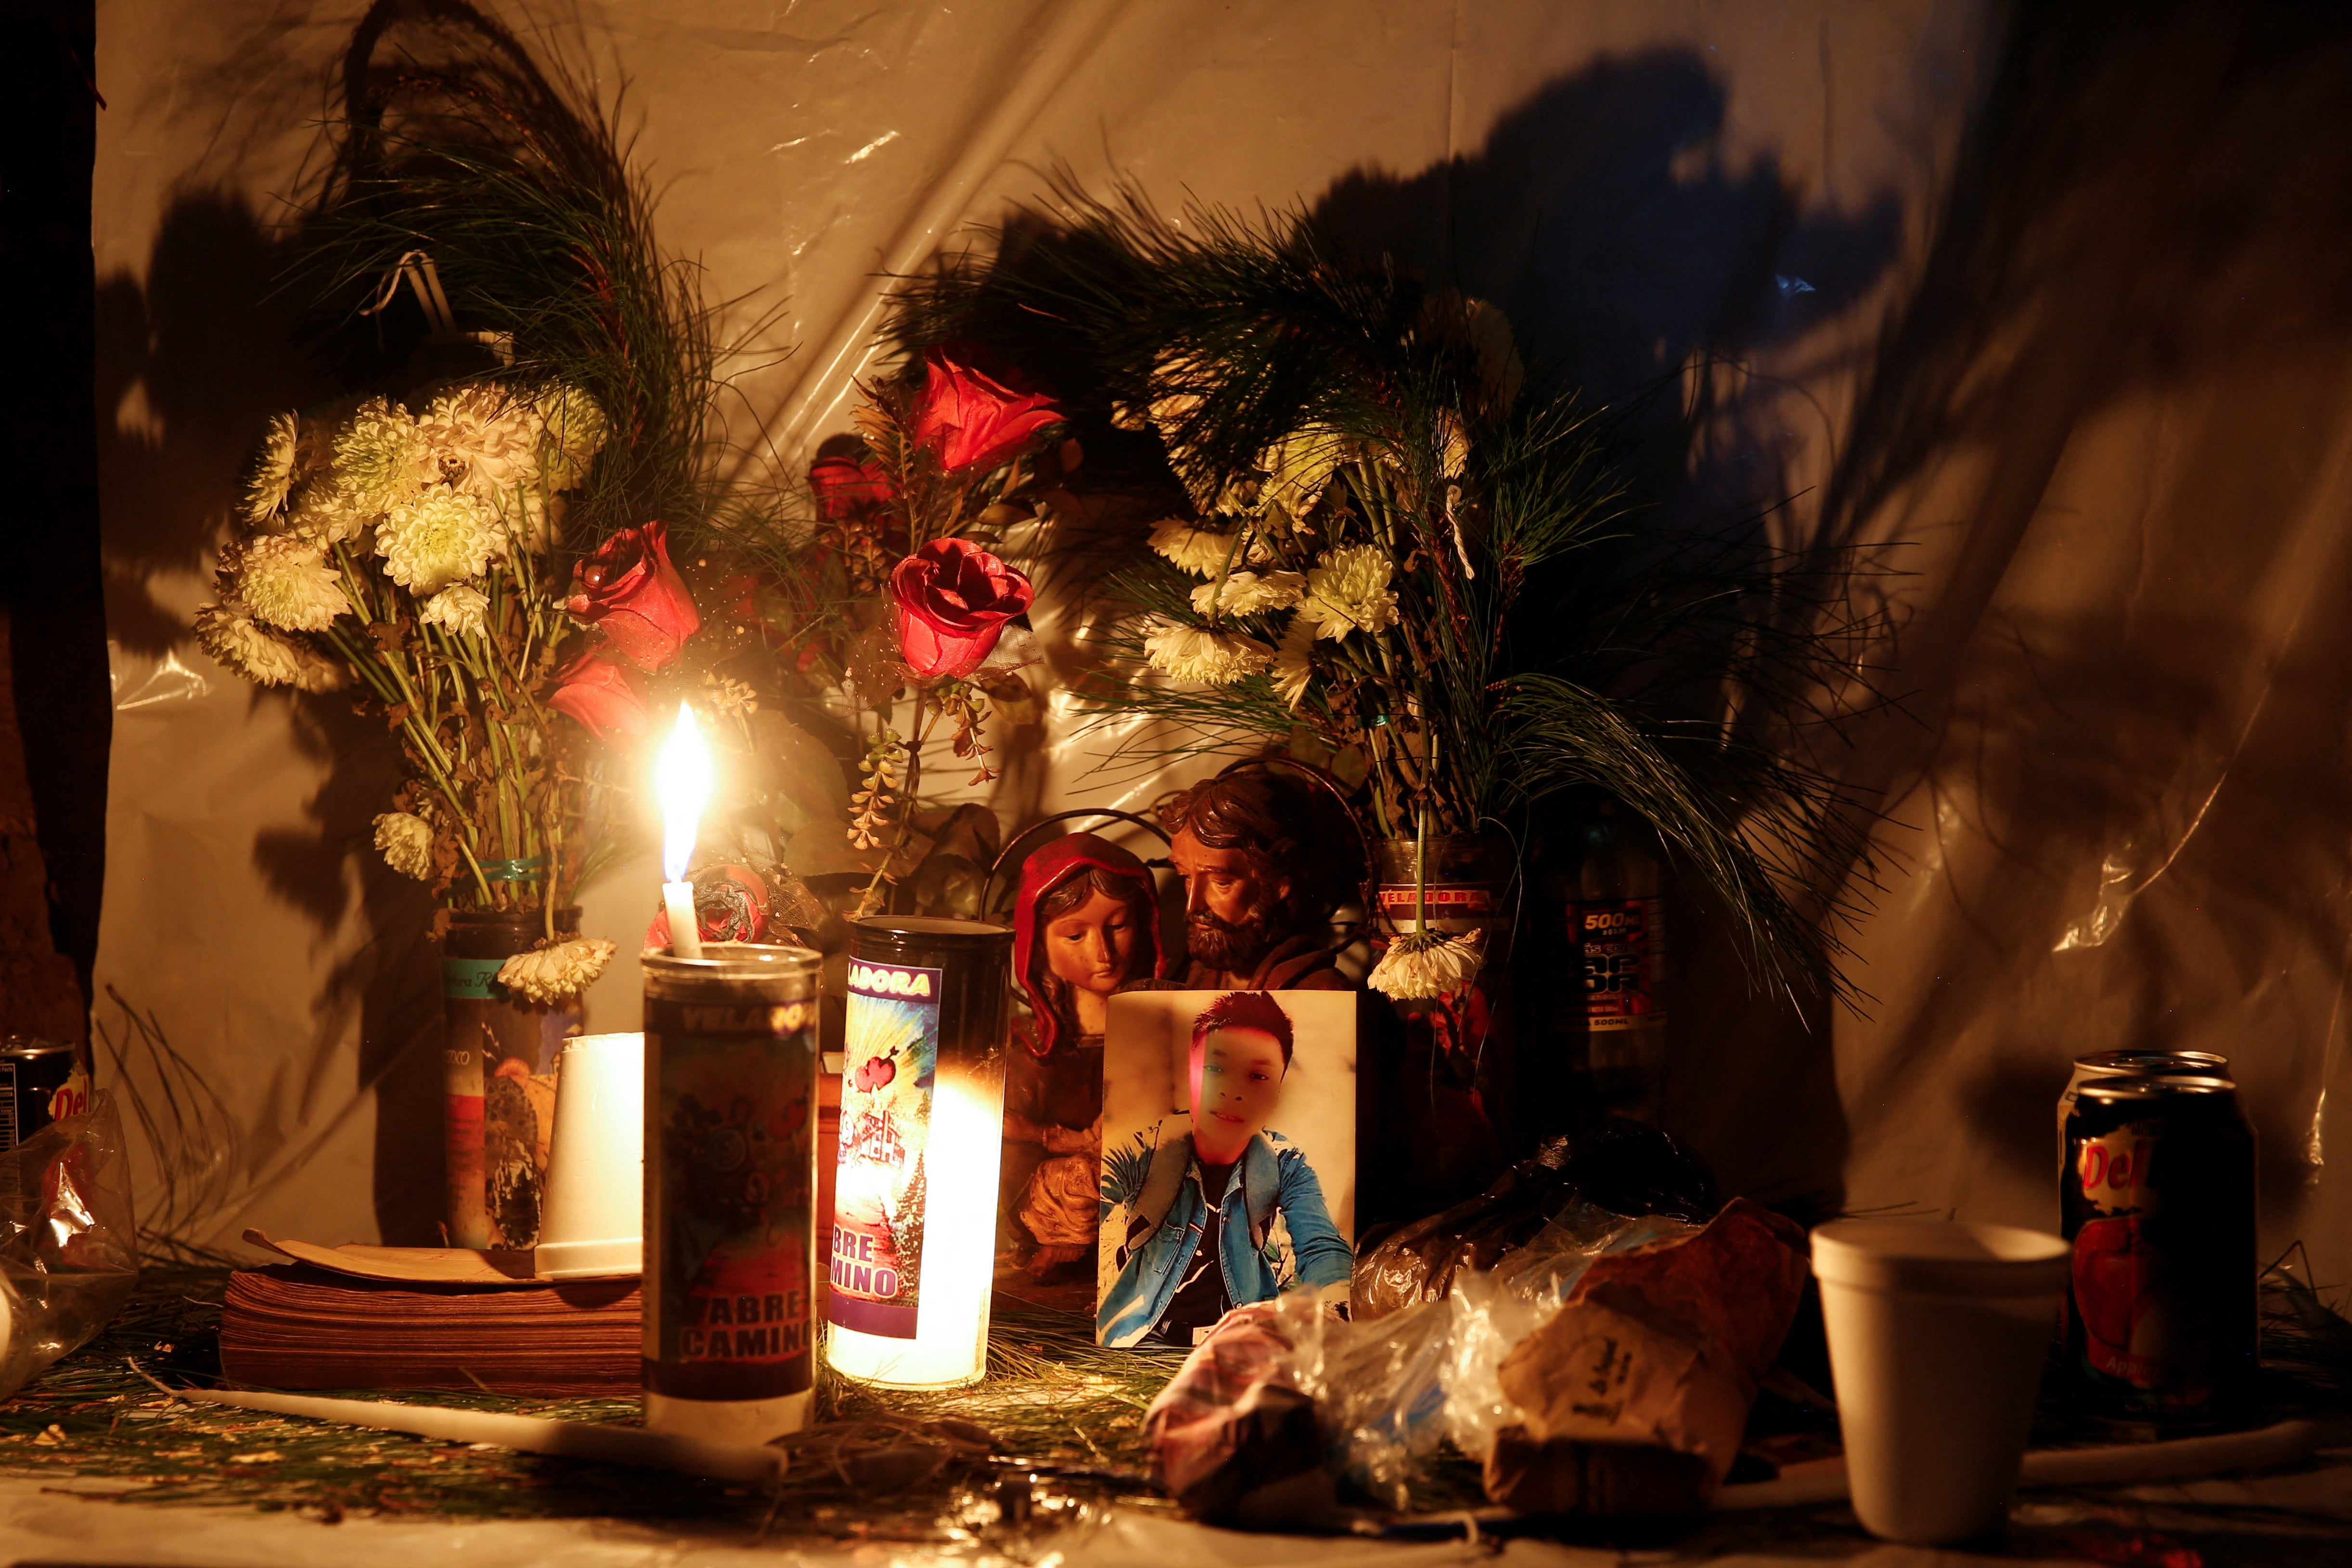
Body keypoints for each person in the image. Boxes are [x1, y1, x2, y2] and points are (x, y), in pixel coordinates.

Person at [1098, 990, 1351, 1347]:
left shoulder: (1285, 1160)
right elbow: (1098, 1185)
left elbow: (1321, 1245)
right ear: (1190, 1072)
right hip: (1142, 1340)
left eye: (1258, 1077)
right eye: (1215, 1069)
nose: (1232, 1092)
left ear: (1278, 1089)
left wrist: (1336, 1301)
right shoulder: (1146, 1148)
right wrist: (1070, 1199)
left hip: (1246, 1345)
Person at [1002, 833, 1163, 1282]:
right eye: (1075, 934)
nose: (1103, 954)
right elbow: (1007, 1151)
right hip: (1064, 1204)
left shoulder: (1167, 1027)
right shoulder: (1032, 1049)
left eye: (1118, 926)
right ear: (1038, 944)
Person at [1160, 769, 1358, 991]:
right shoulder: (1199, 977)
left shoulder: (1318, 994)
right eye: (1186, 876)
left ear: (1277, 886)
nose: (1192, 906)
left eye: (1221, 882)